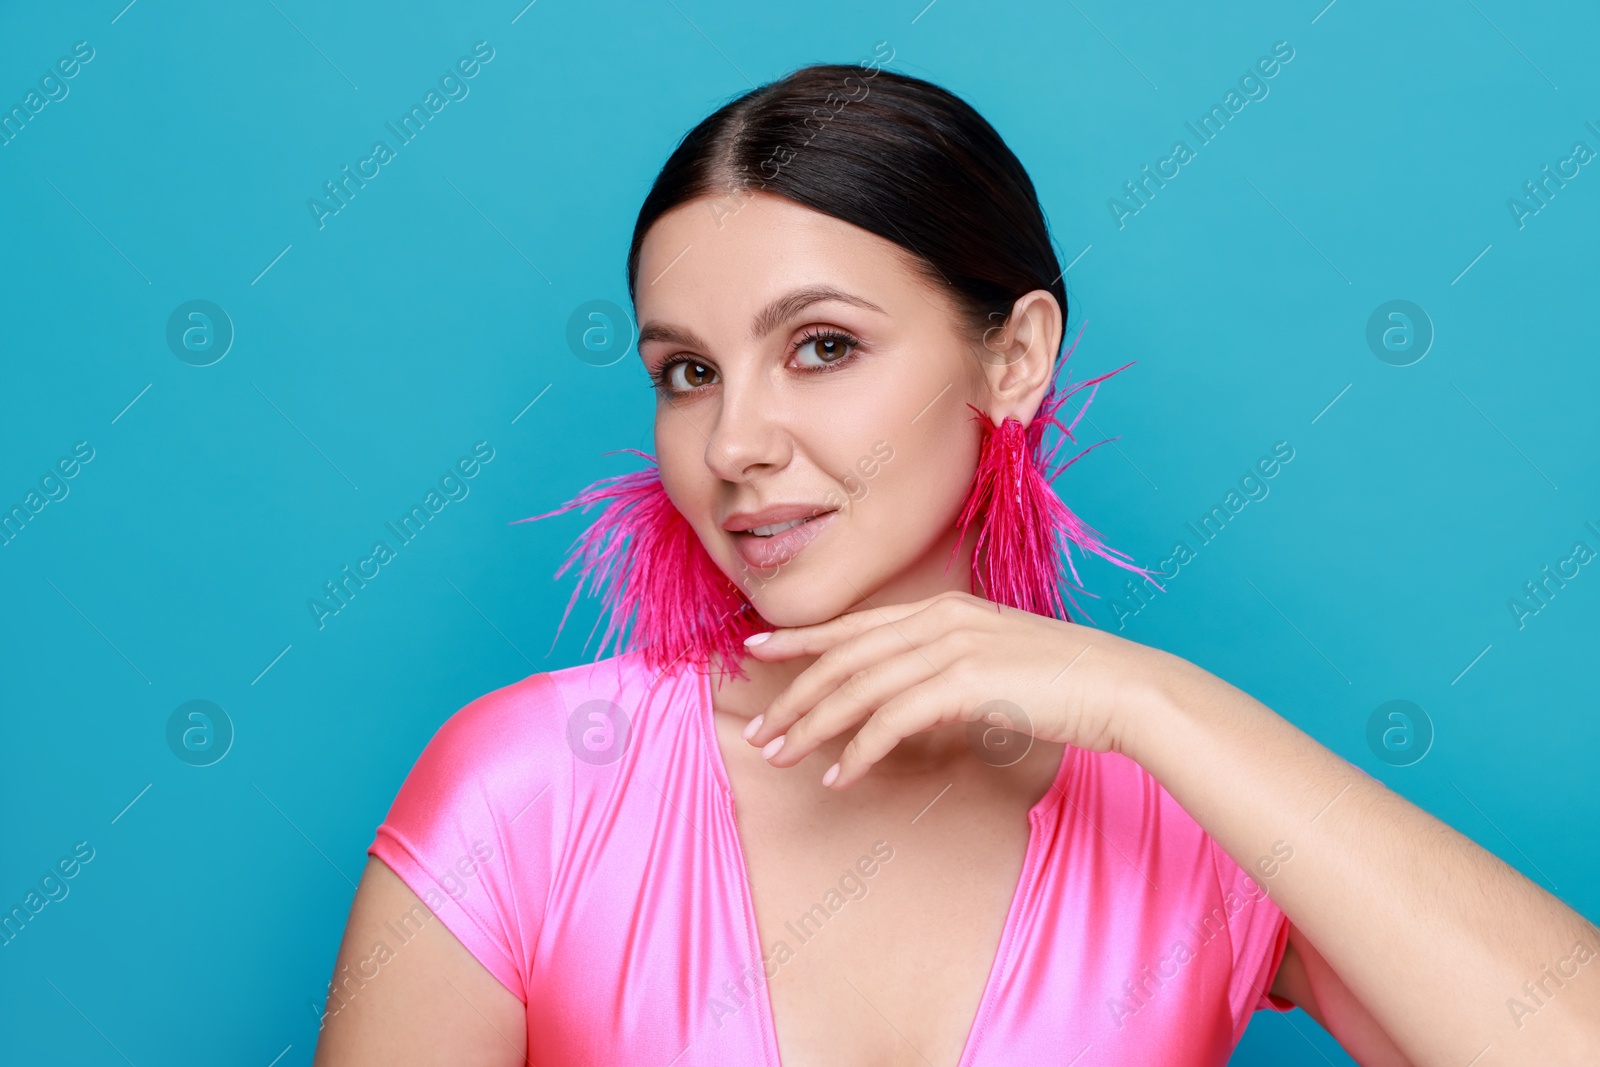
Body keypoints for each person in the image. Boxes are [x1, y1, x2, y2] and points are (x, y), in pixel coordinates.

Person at [311, 61, 1600, 1066]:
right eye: (688, 373)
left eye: (820, 345)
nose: (737, 444)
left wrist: (1158, 705)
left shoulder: (1188, 821)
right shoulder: (531, 793)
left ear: (1015, 358)